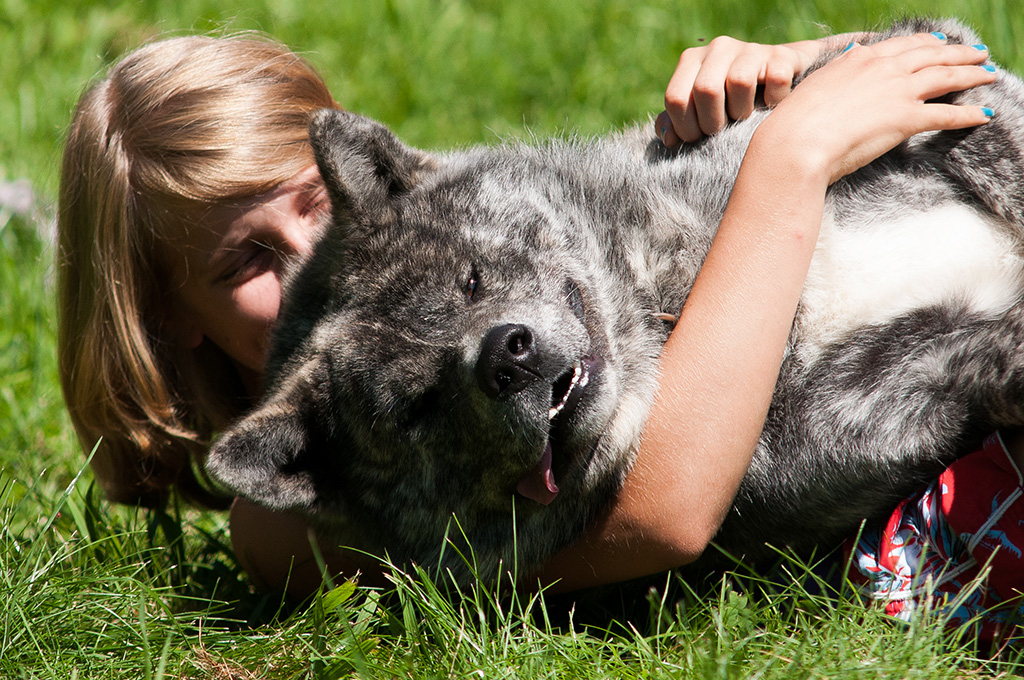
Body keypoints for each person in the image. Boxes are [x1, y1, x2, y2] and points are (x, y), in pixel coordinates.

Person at [57, 28, 1000, 609]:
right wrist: (788, 161)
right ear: (168, 317)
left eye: (315, 206)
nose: (312, 266)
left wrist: (768, 85)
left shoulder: (463, 259)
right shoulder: (300, 515)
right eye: (245, 262)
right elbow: (667, 511)